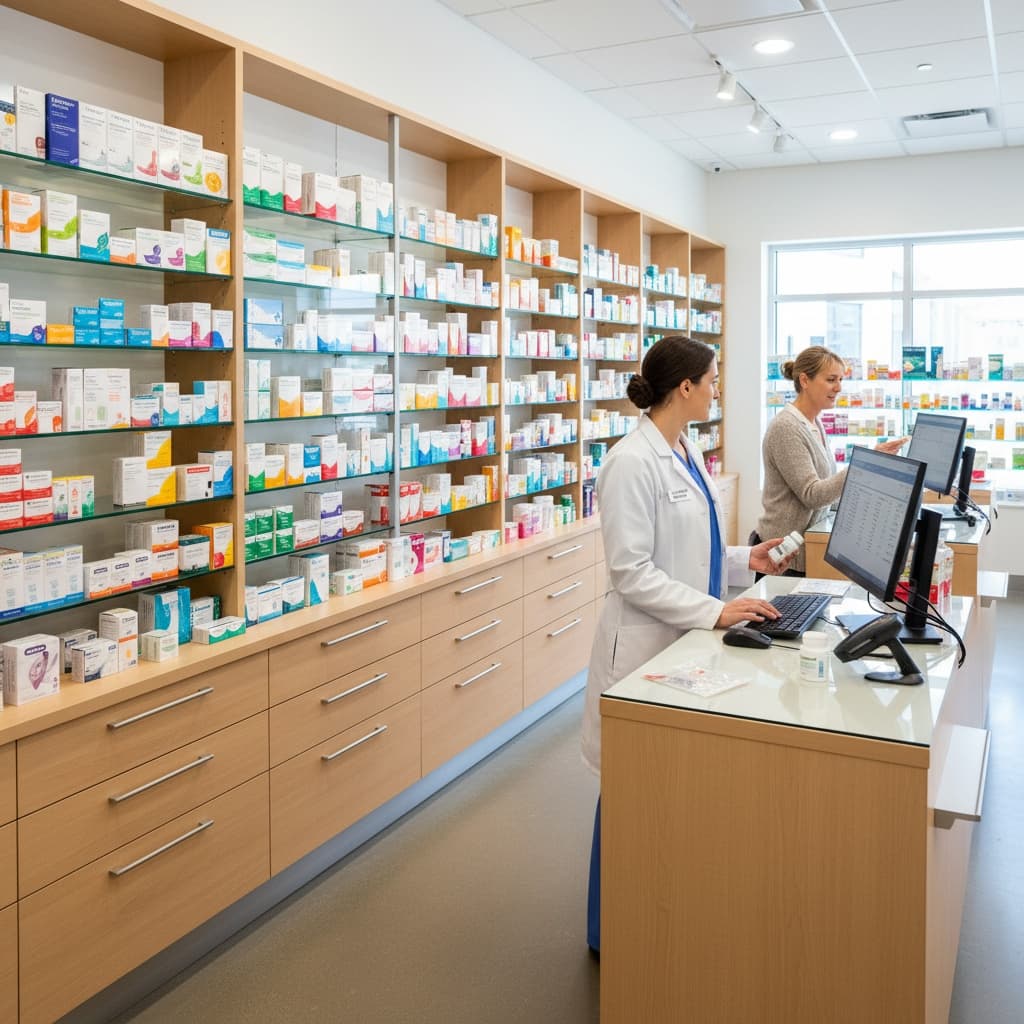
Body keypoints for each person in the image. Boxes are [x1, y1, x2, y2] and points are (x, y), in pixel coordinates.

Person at [580, 335, 793, 956]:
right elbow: (632, 572)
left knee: (666, 789)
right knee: (628, 790)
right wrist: (717, 611)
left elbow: (691, 550)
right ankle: (606, 931)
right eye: (714, 377)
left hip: (685, 641)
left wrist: (740, 559)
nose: (718, 386)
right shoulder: (630, 461)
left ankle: (659, 909)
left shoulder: (687, 449)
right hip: (644, 649)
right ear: (685, 388)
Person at [754, 346, 907, 576]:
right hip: (783, 558)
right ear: (805, 380)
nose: (839, 387)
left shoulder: (814, 423)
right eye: (831, 380)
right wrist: (863, 465)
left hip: (807, 549)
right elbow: (813, 495)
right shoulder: (786, 428)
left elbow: (827, 491)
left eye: (841, 380)